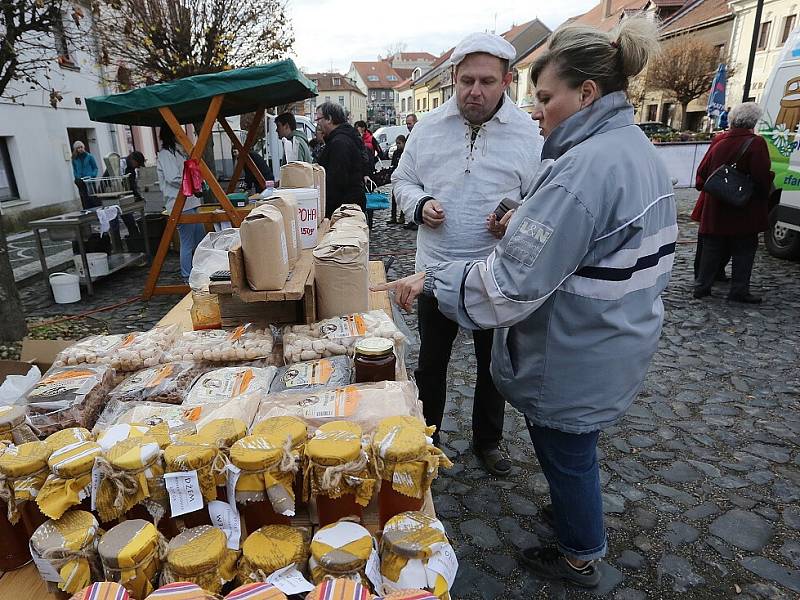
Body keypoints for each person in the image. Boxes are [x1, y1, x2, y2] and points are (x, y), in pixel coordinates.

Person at [378, 17, 674, 588]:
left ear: (586, 93)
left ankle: (579, 552)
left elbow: (513, 282)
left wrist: (435, 281)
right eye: (465, 80)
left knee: (566, 445)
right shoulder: (631, 146)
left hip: (573, 338)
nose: (538, 111)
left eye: (544, 97)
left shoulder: (580, 167)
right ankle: (567, 513)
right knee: (559, 439)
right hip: (613, 330)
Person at [392, 31, 544, 476]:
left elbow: (539, 198)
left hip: (493, 275)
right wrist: (418, 204)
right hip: (434, 272)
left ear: (507, 81)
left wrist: (513, 215)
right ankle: (428, 436)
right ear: (453, 78)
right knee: (431, 364)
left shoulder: (526, 134)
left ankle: (488, 441)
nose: (474, 91)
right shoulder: (428, 130)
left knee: (491, 367)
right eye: (466, 81)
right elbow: (401, 182)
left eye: (486, 81)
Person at [693, 102, 772, 303]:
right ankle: (738, 290)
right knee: (744, 250)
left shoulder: (719, 141)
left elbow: (701, 175)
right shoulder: (756, 143)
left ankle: (702, 287)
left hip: (716, 208)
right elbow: (761, 177)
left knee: (711, 249)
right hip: (743, 209)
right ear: (753, 122)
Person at [157, 127, 206, 282]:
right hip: (179, 204)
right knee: (187, 242)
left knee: (200, 238)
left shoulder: (178, 151)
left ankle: (201, 270)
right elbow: (173, 178)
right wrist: (193, 183)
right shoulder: (166, 154)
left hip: (191, 202)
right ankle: (187, 275)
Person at [315, 101, 368, 217]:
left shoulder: (339, 142)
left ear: (329, 119)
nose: (318, 124)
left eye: (318, 119)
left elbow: (337, 181)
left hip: (343, 209)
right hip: (348, 205)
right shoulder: (344, 137)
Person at [71, 141, 98, 209]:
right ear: (76, 149)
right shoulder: (74, 158)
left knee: (92, 195)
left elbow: (95, 168)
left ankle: (95, 208)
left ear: (83, 147)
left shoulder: (89, 156)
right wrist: (77, 177)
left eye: (81, 147)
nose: (80, 149)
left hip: (90, 180)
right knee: (83, 196)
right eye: (78, 148)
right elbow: (75, 169)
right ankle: (86, 209)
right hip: (80, 180)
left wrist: (93, 175)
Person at [389, 135, 407, 225]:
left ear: (404, 143)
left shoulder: (406, 153)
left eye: (399, 143)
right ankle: (393, 216)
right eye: (396, 144)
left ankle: (402, 216)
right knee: (394, 198)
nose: (398, 145)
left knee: (402, 198)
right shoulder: (396, 152)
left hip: (404, 178)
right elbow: (393, 164)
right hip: (396, 178)